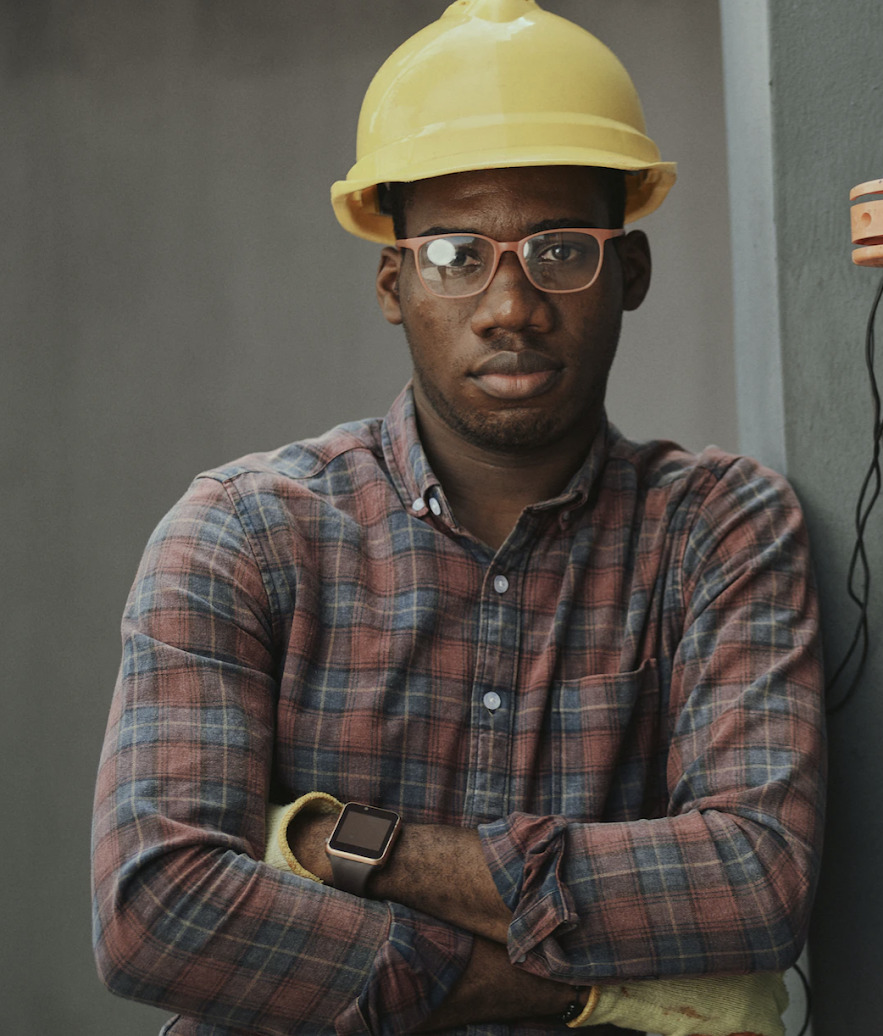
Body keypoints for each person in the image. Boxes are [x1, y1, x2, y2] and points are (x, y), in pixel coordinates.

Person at [89, 2, 824, 1033]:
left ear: (633, 273)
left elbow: (753, 880)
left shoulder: (716, 530)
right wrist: (587, 991)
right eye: (453, 256)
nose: (511, 304)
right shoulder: (243, 537)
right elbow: (156, 910)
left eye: (561, 251)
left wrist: (354, 848)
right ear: (394, 282)